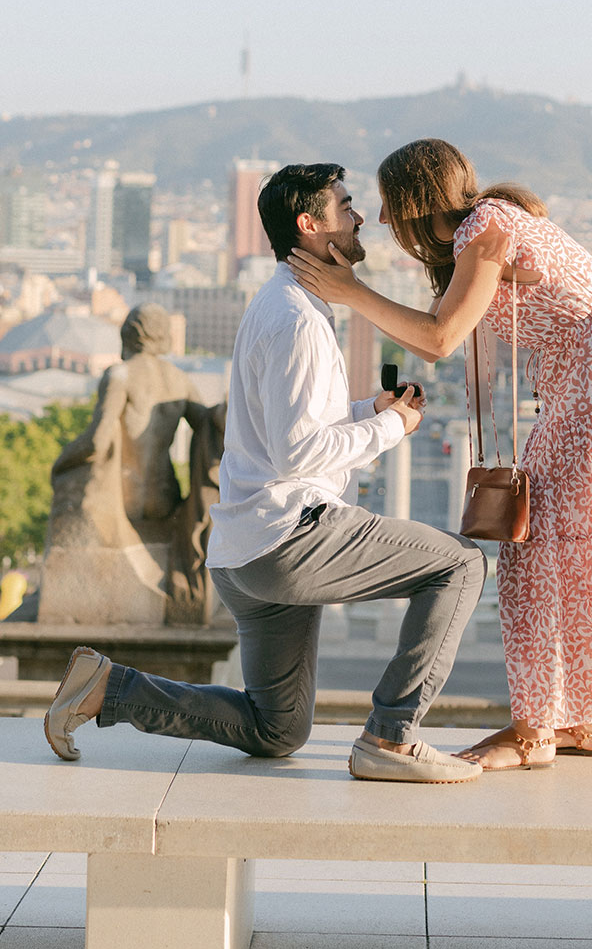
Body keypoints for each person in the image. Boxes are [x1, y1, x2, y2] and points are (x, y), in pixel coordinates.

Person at [44, 163, 486, 784]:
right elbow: (298, 455)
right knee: (460, 564)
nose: (360, 217)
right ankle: (391, 736)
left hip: (244, 554)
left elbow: (290, 429)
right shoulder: (299, 321)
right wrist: (393, 430)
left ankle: (106, 688)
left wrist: (370, 411)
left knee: (276, 730)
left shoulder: (283, 303)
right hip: (291, 535)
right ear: (310, 226)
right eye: (347, 206)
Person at [288, 139, 592, 771]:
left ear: (414, 200)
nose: (381, 221)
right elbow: (447, 318)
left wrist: (349, 291)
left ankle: (534, 730)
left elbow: (439, 337)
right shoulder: (492, 227)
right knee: (565, 547)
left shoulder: (485, 226)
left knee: (532, 551)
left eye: (387, 204)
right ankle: (583, 720)